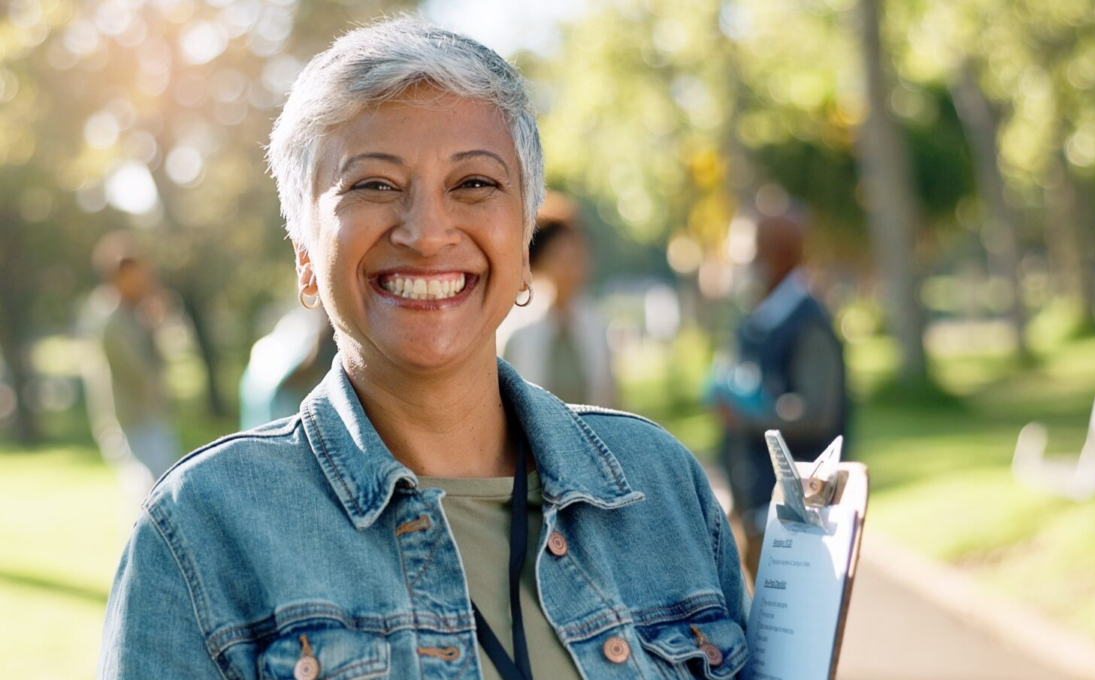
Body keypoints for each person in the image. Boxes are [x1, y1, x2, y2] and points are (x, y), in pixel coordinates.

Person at [100, 18, 749, 680]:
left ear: (524, 248)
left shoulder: (662, 490)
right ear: (303, 256)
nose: (427, 231)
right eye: (374, 185)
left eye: (473, 184)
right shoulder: (199, 532)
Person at [710, 207, 848, 577]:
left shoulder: (807, 322)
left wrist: (748, 417)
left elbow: (816, 412)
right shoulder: (762, 316)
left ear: (778, 254)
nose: (749, 263)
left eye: (755, 252)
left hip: (797, 514)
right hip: (758, 504)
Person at [81, 233, 180, 512]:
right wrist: (153, 322)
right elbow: (141, 373)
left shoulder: (131, 313)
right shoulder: (111, 319)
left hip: (148, 414)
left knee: (156, 493)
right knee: (148, 497)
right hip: (129, 420)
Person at [502, 193, 618, 407]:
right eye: (563, 254)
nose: (575, 263)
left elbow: (612, 401)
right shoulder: (516, 327)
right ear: (541, 259)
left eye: (578, 251)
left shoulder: (595, 325)